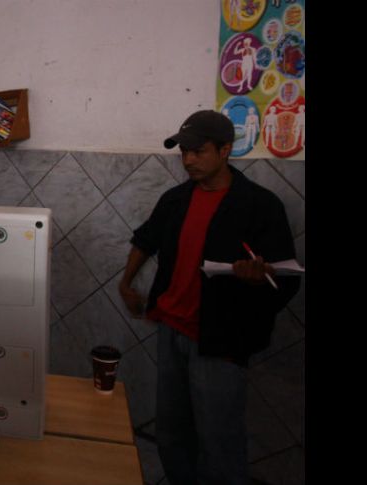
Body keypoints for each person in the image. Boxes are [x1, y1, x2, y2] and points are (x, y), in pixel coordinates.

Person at [118, 110, 299, 485]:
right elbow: (145, 239)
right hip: (171, 329)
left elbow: (285, 279)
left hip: (219, 340)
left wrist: (255, 278)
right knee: (171, 431)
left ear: (225, 150)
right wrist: (126, 283)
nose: (188, 161)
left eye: (198, 152)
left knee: (219, 440)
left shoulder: (259, 205)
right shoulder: (176, 199)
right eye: (183, 152)